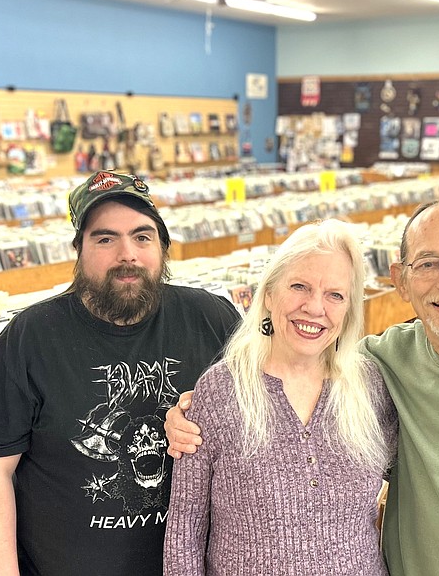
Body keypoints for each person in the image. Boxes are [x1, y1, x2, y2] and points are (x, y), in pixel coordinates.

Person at [168, 199, 439, 575]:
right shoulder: (383, 364)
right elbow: (186, 530)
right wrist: (191, 412)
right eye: (429, 264)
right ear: (400, 279)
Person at [0, 170, 242, 576]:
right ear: (79, 250)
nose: (127, 254)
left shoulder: (213, 318)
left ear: (163, 247)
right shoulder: (31, 337)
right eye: (105, 239)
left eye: (142, 237)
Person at [163, 219, 397, 575]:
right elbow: (184, 532)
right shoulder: (222, 390)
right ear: (269, 294)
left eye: (335, 295)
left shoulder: (370, 386)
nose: (315, 307)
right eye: (300, 286)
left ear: (350, 308)